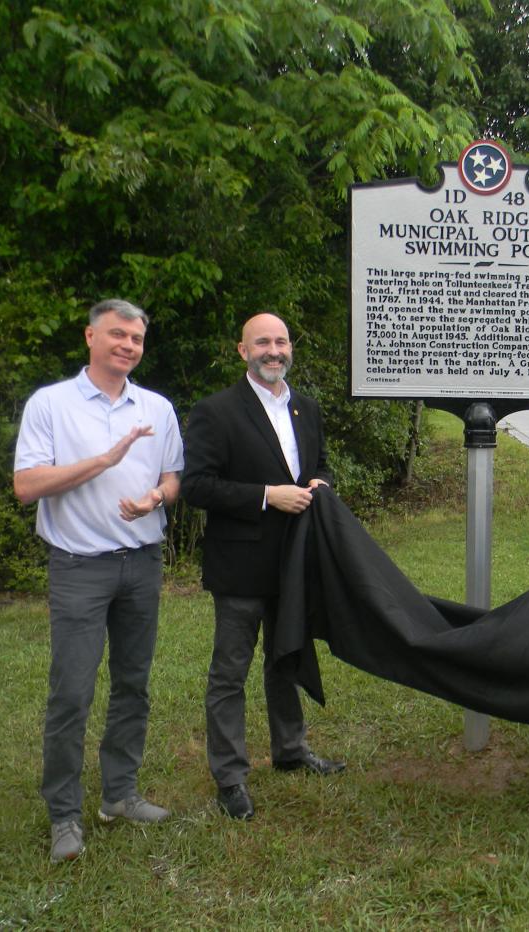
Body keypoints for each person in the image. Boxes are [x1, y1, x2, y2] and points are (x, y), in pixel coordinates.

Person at [14, 299, 183, 862]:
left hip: (142, 563)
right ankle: (64, 815)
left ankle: (120, 795)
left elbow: (173, 477)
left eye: (136, 338)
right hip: (79, 566)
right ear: (90, 336)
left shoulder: (156, 407)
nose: (127, 346)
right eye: (117, 335)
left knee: (133, 684)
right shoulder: (51, 404)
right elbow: (27, 485)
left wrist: (156, 497)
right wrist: (104, 461)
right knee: (72, 693)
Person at [181, 313, 344, 821]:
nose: (273, 351)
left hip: (295, 562)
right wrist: (267, 496)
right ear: (242, 350)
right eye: (262, 343)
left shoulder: (307, 408)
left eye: (281, 342)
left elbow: (320, 466)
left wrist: (321, 483)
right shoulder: (216, 412)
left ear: (290, 347)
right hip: (241, 564)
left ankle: (290, 750)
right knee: (230, 672)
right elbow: (197, 486)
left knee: (286, 655)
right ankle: (230, 776)